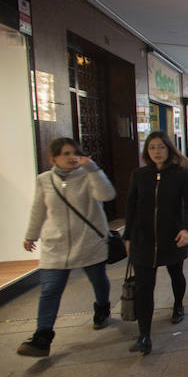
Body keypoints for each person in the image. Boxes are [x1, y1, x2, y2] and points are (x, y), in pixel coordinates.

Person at [17, 138, 116, 356]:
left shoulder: (88, 176)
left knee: (98, 280)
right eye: (65, 153)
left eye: (75, 153)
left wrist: (92, 168)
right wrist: (31, 235)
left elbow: (107, 195)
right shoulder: (44, 180)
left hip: (88, 242)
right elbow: (38, 210)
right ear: (53, 158)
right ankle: (42, 336)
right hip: (57, 245)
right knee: (50, 290)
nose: (72, 157)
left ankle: (102, 307)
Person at [124, 132, 188, 354]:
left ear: (169, 149)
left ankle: (178, 305)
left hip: (173, 236)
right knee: (144, 286)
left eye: (161, 147)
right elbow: (131, 207)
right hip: (143, 239)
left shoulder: (182, 174)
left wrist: (187, 229)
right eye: (152, 148)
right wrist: (127, 236)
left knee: (176, 273)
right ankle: (144, 335)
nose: (157, 152)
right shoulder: (139, 175)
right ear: (147, 151)